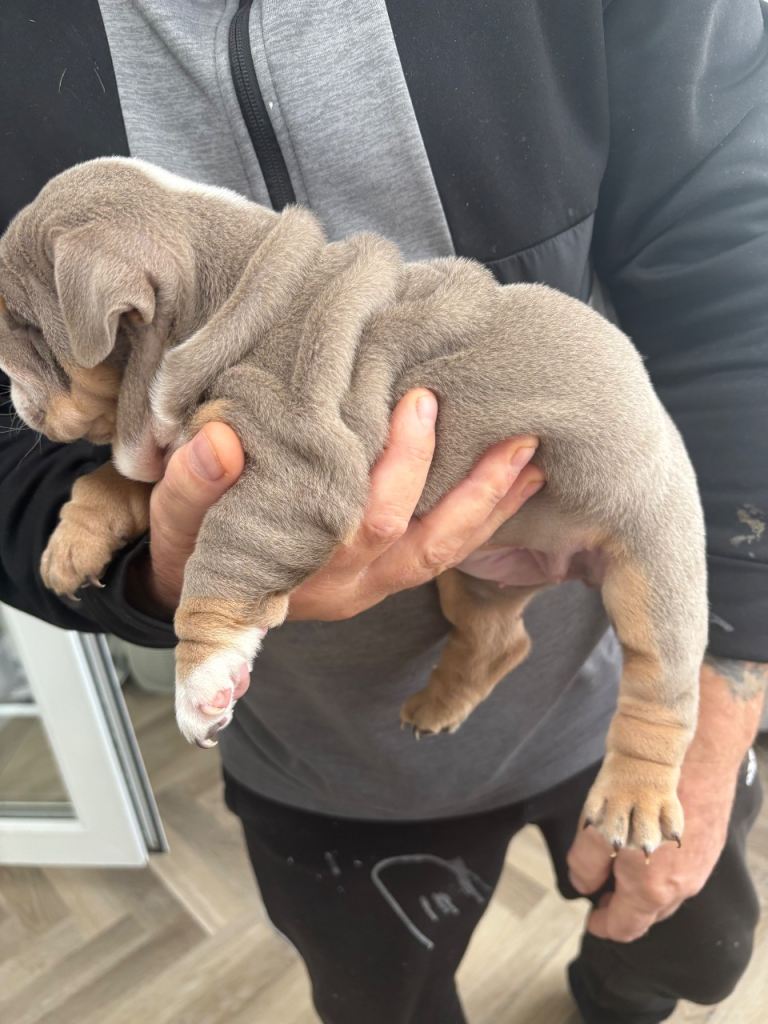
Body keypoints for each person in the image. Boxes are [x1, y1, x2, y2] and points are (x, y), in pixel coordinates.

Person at [1, 2, 767, 1021]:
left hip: (610, 682)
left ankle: (616, 984)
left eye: (33, 360)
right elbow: (42, 448)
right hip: (317, 766)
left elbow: (732, 263)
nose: (22, 386)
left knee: (686, 964)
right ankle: (480, 651)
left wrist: (694, 728)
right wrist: (135, 555)